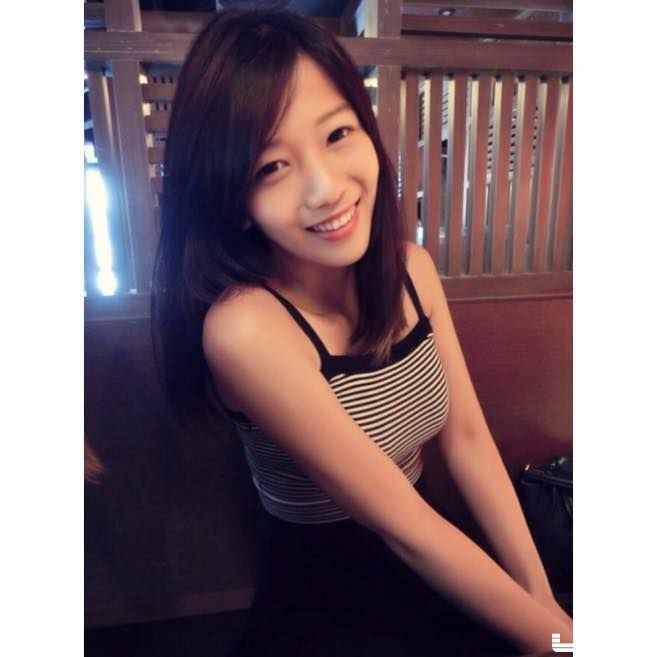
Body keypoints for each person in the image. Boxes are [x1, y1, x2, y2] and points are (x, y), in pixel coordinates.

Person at [151, 9, 573, 657]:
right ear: (231, 198)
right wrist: (560, 642)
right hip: (331, 596)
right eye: (271, 167)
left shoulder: (412, 270)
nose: (325, 189)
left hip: (436, 548)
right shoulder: (244, 330)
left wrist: (546, 609)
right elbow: (402, 529)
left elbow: (466, 439)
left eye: (337, 133)